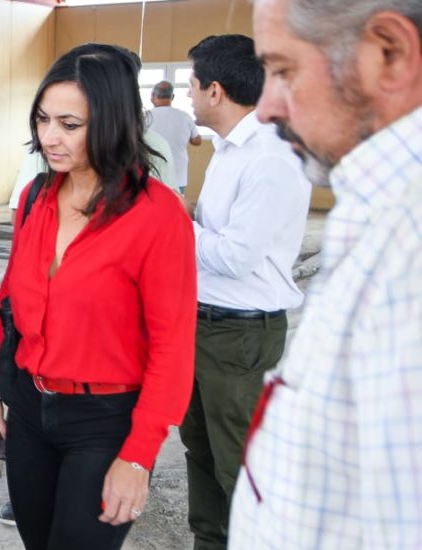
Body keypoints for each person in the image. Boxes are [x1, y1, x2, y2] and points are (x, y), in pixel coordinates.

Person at [0, 43, 197, 549]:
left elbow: (173, 349)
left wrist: (139, 455)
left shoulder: (157, 217)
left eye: (69, 125)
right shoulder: (36, 196)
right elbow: (8, 300)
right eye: (42, 119)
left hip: (105, 421)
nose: (49, 137)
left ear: (112, 122)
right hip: (29, 409)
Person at [231, 1, 422, 547]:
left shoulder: (410, 251)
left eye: (284, 70)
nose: (266, 108)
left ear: (390, 53)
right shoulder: (382, 216)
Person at [178, 34, 311, 550]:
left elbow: (235, 257)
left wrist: (176, 225)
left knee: (239, 463)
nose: (186, 95)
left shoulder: (270, 156)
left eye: (191, 85)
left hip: (238, 334)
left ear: (215, 90)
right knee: (201, 450)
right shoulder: (229, 149)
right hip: (206, 323)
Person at [147, 81, 202, 195]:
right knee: (176, 205)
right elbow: (197, 141)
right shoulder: (185, 116)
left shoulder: (145, 117)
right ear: (172, 96)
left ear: (153, 96)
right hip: (178, 174)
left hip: (152, 173)